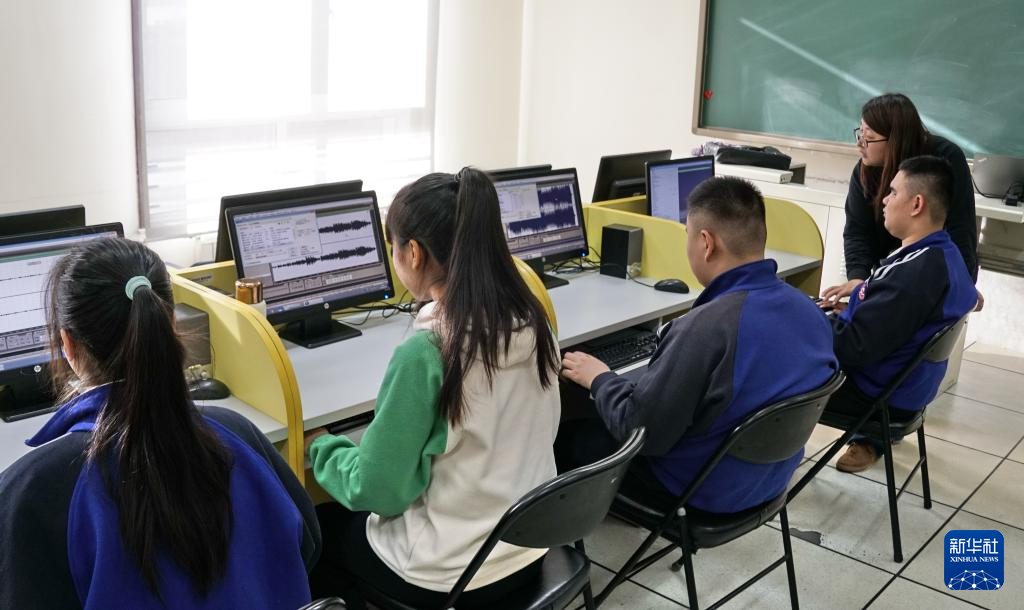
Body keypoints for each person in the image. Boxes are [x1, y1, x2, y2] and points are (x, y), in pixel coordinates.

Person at [0, 238, 320, 609]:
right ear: (170, 323)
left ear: (67, 346)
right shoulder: (239, 434)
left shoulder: (33, 488)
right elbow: (308, 546)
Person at [304, 168, 561, 608]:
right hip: (527, 550)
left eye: (393, 247)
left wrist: (322, 446)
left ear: (414, 253)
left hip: (448, 574)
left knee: (318, 528)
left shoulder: (429, 350)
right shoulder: (534, 320)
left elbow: (379, 491)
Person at [557, 176, 838, 514]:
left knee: (569, 437)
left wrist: (600, 378)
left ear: (706, 243)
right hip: (771, 480)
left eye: (687, 234)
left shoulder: (706, 328)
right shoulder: (811, 312)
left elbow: (640, 430)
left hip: (700, 491)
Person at [828, 156, 977, 472]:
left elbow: (853, 348)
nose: (884, 200)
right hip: (907, 390)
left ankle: (755, 477)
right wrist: (856, 308)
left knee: (770, 366)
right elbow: (893, 318)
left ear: (916, 204)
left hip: (876, 397)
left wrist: (808, 319)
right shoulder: (944, 255)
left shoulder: (915, 274)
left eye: (893, 192)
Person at [822, 93, 980, 309]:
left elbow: (960, 229)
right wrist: (859, 279)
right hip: (891, 278)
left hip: (926, 279)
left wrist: (960, 284)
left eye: (869, 137)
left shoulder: (943, 160)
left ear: (894, 139)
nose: (859, 144)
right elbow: (857, 230)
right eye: (860, 133)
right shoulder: (865, 171)